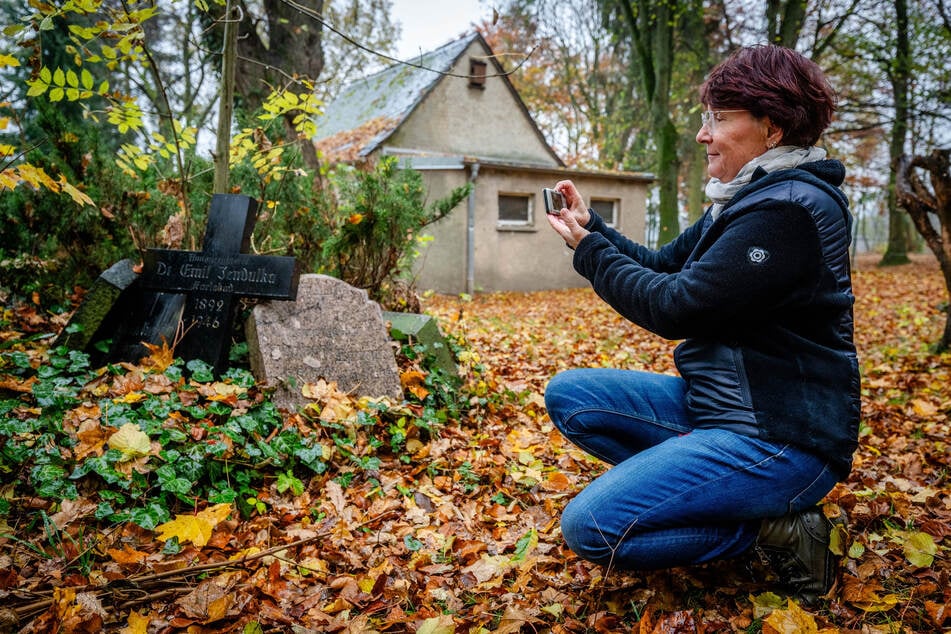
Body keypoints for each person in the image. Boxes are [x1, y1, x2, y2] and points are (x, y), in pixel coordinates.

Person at [543, 44, 859, 604]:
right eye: (704, 117)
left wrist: (591, 253)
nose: (702, 135)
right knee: (573, 395)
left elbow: (675, 306)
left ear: (774, 127)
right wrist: (593, 228)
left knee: (590, 527)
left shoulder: (789, 212)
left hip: (783, 438)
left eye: (718, 118)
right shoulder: (744, 200)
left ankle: (770, 527)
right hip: (723, 410)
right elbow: (666, 266)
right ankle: (710, 493)